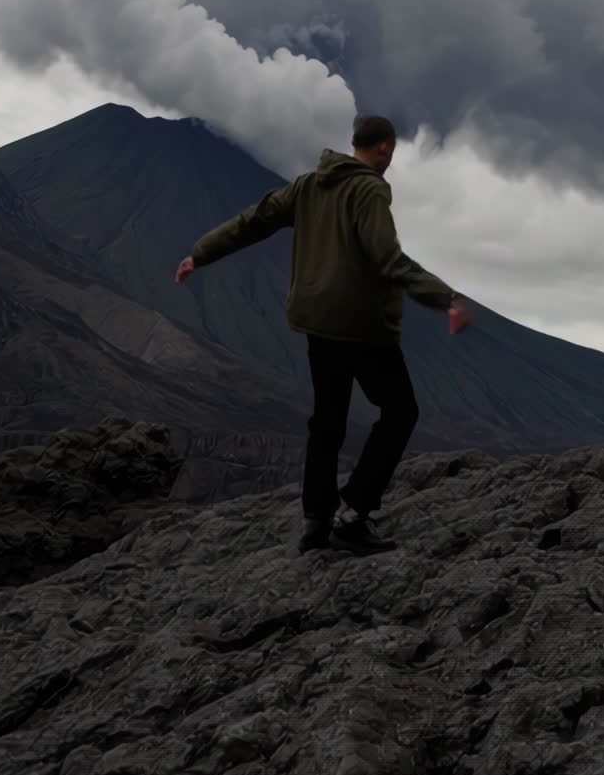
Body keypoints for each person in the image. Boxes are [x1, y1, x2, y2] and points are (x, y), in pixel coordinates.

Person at [175, 113, 468, 557]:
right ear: (385, 148)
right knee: (400, 411)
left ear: (354, 142)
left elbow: (254, 220)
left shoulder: (307, 185)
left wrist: (200, 253)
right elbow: (388, 260)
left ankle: (316, 520)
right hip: (362, 325)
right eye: (391, 150)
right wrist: (445, 298)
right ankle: (352, 516)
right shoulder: (368, 190)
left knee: (327, 418)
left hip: (317, 321)